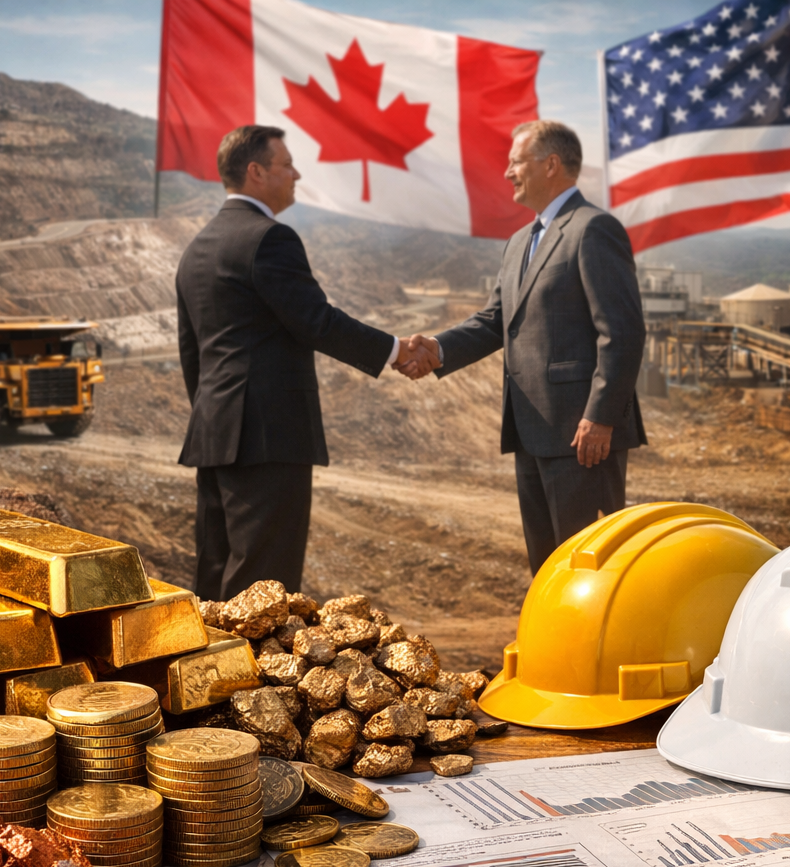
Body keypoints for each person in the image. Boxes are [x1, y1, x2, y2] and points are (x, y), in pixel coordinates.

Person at [176, 124, 433, 598]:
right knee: (262, 588)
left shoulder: (196, 248)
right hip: (269, 438)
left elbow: (192, 354)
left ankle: (209, 672)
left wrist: (216, 417)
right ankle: (251, 674)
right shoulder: (269, 239)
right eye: (286, 164)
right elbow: (316, 321)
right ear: (256, 172)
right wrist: (396, 351)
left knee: (215, 581)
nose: (296, 174)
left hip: (214, 434)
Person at [397, 120, 645, 574]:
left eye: (516, 161)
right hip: (531, 430)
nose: (508, 172)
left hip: (582, 436)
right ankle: (552, 647)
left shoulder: (593, 229)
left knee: (586, 569)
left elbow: (622, 331)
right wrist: (436, 346)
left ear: (551, 164)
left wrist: (602, 416)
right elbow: (497, 321)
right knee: (548, 566)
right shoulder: (519, 243)